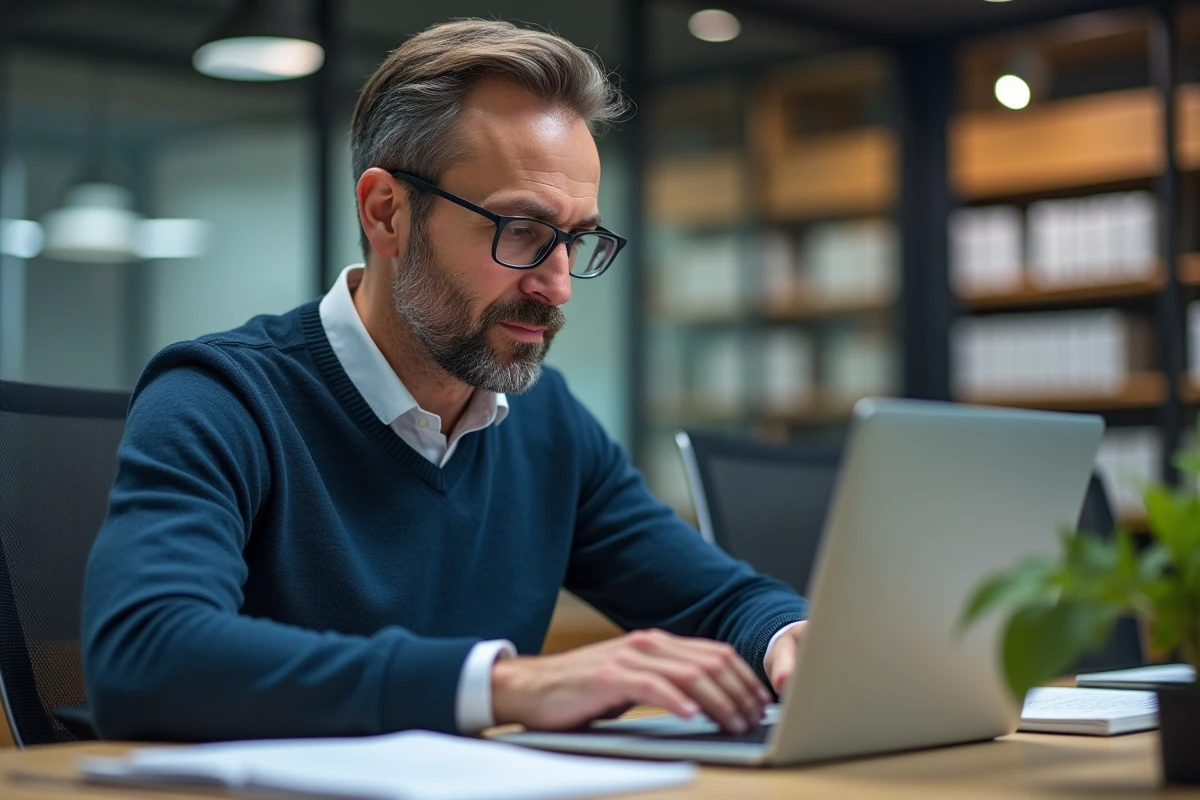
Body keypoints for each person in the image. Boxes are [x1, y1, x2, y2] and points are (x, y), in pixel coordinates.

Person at [82, 18, 808, 742]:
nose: (559, 287)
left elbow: (720, 600)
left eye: (577, 238)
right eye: (521, 229)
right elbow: (146, 655)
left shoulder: (546, 421)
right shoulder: (221, 397)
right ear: (386, 213)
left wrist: (790, 642)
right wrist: (502, 685)